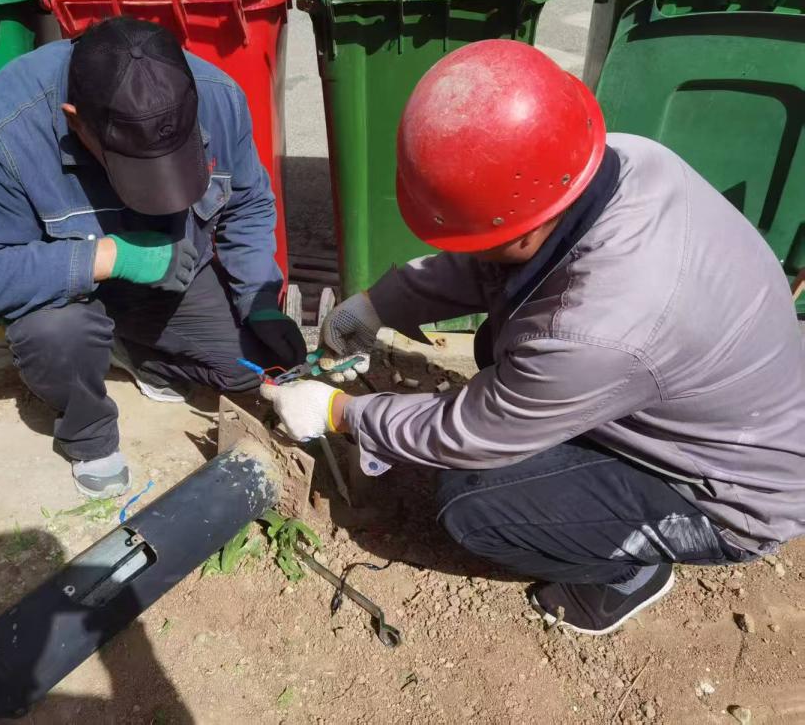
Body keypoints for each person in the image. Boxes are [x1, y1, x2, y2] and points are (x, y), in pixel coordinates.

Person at [262, 40, 805, 635]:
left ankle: (626, 576)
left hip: (732, 492)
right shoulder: (611, 162)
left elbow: (469, 431)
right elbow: (497, 258)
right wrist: (379, 305)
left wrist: (340, 413)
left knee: (473, 503)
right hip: (713, 404)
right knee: (504, 343)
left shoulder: (597, 329)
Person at [0, 17, 305, 500]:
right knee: (58, 337)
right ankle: (87, 433)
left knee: (251, 367)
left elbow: (248, 204)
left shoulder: (217, 96)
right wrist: (110, 256)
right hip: (64, 299)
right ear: (74, 120)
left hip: (167, 282)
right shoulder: (10, 122)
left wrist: (260, 300)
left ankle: (139, 356)